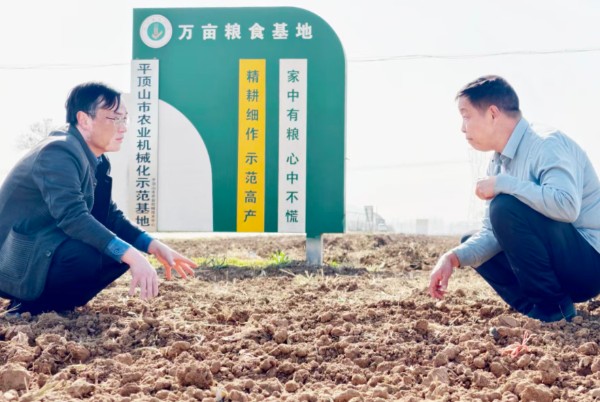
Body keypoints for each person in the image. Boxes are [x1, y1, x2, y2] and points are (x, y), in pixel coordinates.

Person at [0, 82, 197, 315]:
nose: (123, 127)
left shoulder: (96, 159)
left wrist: (152, 246)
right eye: (114, 118)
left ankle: (54, 305)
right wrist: (133, 256)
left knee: (116, 252)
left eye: (125, 119)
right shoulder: (58, 152)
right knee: (92, 255)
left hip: (43, 246)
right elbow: (73, 217)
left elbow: (108, 215)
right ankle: (28, 305)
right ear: (84, 119)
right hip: (14, 258)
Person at [428, 75, 600, 322]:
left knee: (504, 206)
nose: (462, 128)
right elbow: (492, 232)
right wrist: (451, 258)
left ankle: (554, 308)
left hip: (589, 265)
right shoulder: (498, 162)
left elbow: (566, 205)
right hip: (562, 264)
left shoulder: (546, 144)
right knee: (471, 241)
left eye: (466, 116)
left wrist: (503, 184)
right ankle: (537, 310)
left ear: (493, 114)